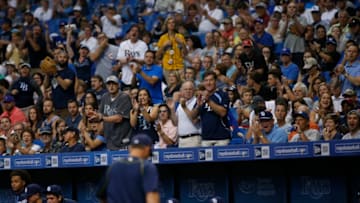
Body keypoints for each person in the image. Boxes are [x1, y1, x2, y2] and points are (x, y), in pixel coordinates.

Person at [97, 133, 160, 203]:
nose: (148, 157)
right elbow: (152, 198)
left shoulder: (113, 166)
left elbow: (102, 197)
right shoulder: (147, 166)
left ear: (130, 148)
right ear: (147, 149)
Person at [90, 75, 132, 150]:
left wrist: (101, 117)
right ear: (106, 86)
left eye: (114, 84)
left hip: (123, 140)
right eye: (109, 84)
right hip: (110, 139)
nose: (111, 86)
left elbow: (119, 118)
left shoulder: (124, 97)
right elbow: (101, 113)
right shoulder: (105, 97)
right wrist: (96, 116)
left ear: (118, 85)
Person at [191, 71, 231, 146]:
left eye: (211, 80)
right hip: (206, 138)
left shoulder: (222, 94)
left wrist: (208, 100)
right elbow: (193, 116)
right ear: (203, 82)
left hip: (222, 138)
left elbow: (223, 113)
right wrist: (198, 106)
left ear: (215, 81)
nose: (208, 83)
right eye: (206, 80)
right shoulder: (201, 96)